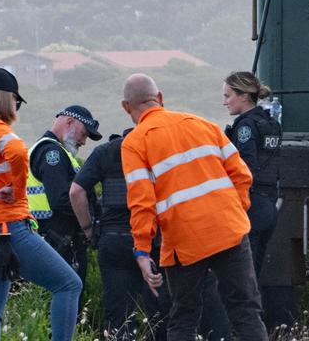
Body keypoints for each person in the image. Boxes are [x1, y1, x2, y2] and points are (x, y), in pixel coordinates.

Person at [119, 73, 268, 341]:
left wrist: (142, 250)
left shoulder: (134, 142)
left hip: (183, 241)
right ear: (160, 98)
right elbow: (242, 175)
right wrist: (235, 211)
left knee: (184, 316)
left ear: (126, 107)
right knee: (246, 311)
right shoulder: (202, 124)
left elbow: (141, 202)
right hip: (229, 231)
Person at [0, 67, 82, 341]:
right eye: (17, 101)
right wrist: (15, 188)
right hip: (5, 231)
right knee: (69, 284)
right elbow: (16, 153)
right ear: (6, 99)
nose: (16, 106)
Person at [70, 130, 233, 341]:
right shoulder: (162, 151)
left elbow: (76, 192)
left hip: (114, 240)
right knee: (162, 311)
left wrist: (89, 229)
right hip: (153, 240)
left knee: (119, 316)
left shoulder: (105, 152)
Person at [27, 104, 103, 294]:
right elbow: (61, 198)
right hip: (58, 241)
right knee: (68, 297)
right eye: (84, 134)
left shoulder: (57, 152)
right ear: (69, 122)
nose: (84, 142)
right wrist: (89, 220)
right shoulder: (53, 153)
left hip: (48, 240)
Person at [221, 72, 281, 275]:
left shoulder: (246, 127)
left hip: (252, 205)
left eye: (228, 96)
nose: (225, 102)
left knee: (243, 276)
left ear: (244, 96)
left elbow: (245, 169)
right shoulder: (270, 123)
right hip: (270, 203)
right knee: (255, 273)